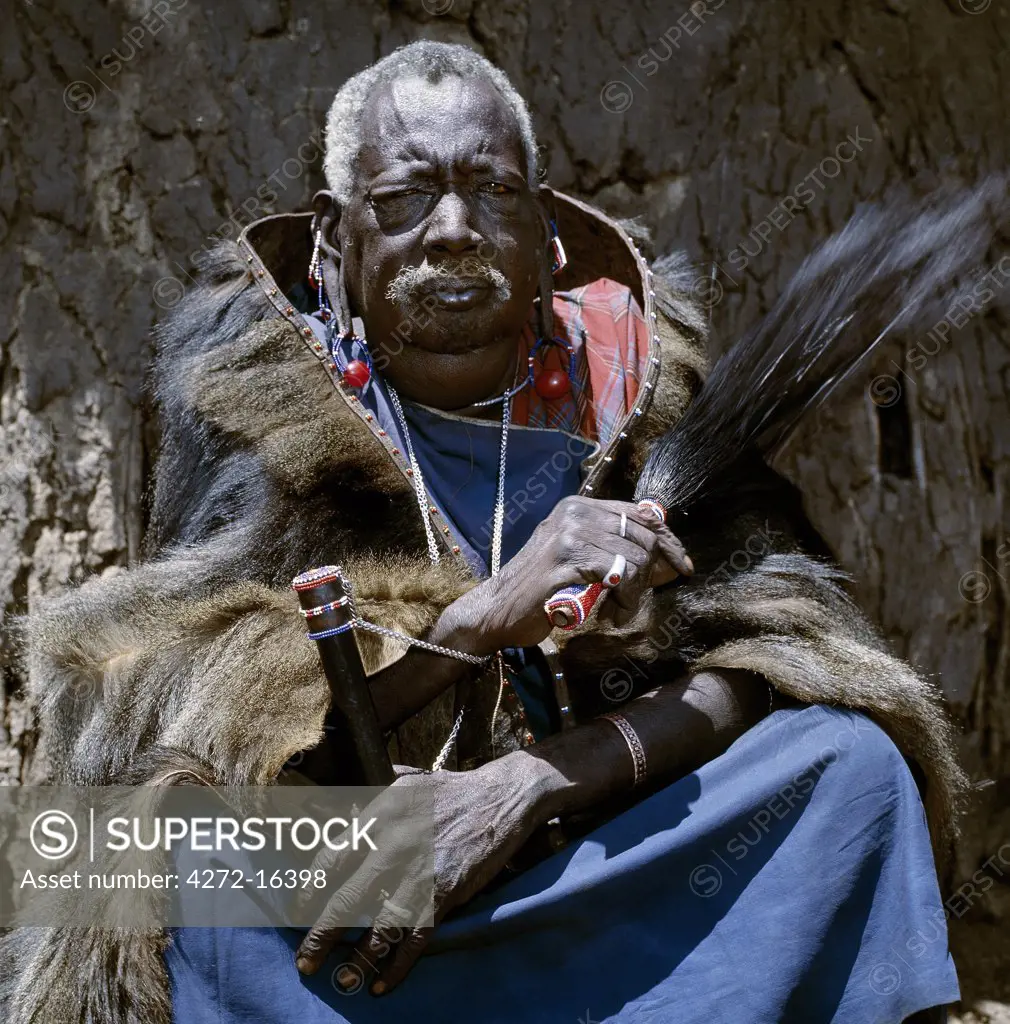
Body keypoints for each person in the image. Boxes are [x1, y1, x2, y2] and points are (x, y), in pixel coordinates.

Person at [2, 41, 964, 1024]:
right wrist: (473, 621)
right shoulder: (256, 407)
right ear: (334, 242)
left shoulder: (632, 390)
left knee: (845, 764)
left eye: (493, 193)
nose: (454, 230)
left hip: (587, 875)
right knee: (127, 852)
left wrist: (526, 786)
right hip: (357, 905)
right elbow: (159, 708)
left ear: (545, 233)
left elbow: (782, 649)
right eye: (406, 198)